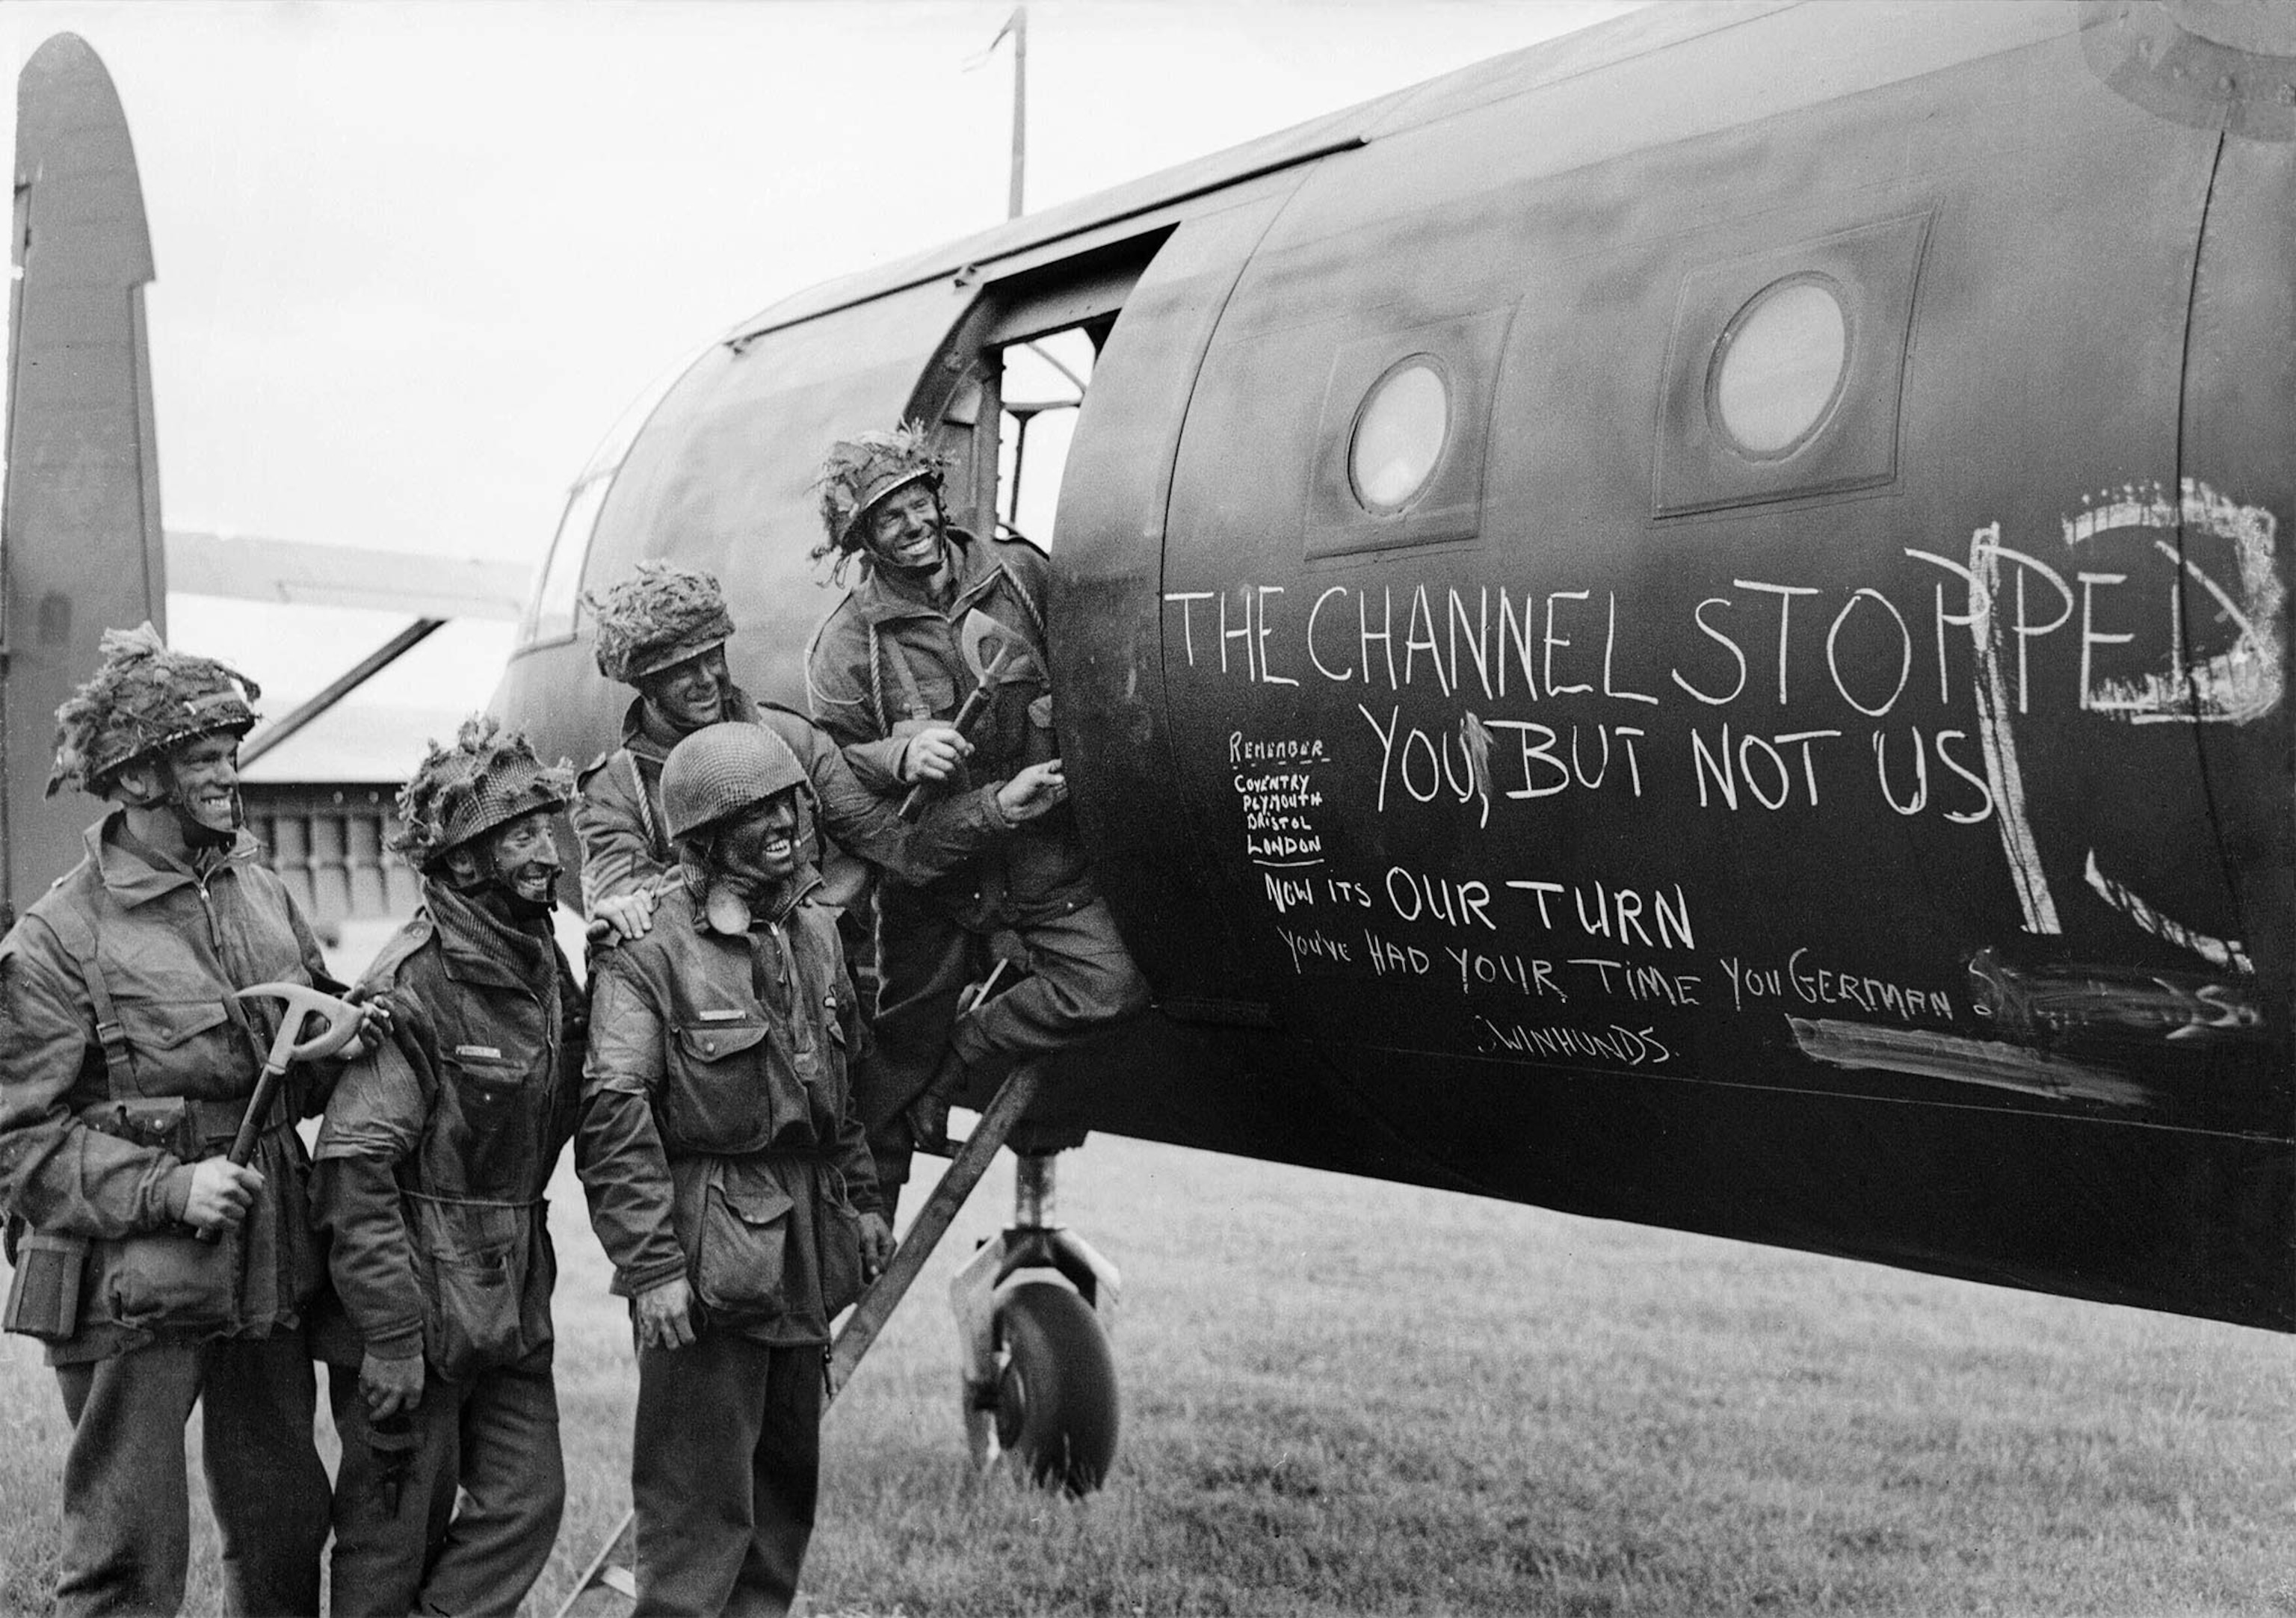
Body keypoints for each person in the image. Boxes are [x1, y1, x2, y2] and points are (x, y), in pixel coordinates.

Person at [0, 623, 377, 1617]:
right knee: (127, 1557)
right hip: (128, 1291)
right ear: (134, 783)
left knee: (285, 1531)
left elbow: (301, 1047)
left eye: (229, 755)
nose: (228, 776)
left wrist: (344, 1043)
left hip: (264, 1259)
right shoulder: (56, 938)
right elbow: (18, 1146)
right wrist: (170, 1187)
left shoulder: (259, 888)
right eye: (203, 760)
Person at [574, 561, 1067, 1205]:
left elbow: (895, 842)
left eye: (711, 656)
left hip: (816, 1043)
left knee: (848, 1220)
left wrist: (997, 806)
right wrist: (627, 909)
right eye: (677, 670)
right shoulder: (616, 789)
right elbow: (623, 894)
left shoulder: (790, 739)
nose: (705, 678)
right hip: (710, 1075)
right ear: (643, 682)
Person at [578, 721, 893, 1618]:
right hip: (708, 1256)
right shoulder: (648, 952)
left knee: (781, 1500)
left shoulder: (814, 931)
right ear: (705, 841)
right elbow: (613, 1118)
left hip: (801, 1247)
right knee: (695, 1514)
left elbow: (840, 1090)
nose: (784, 823)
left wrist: (863, 1203)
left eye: (788, 801)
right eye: (752, 813)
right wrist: (651, 1269)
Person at [804, 424, 1150, 1198]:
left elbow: (1098, 666)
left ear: (936, 494)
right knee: (896, 1060)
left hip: (1043, 856)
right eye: (888, 518)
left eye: (918, 502)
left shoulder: (1021, 574)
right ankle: (863, 1224)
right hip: (936, 879)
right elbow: (831, 775)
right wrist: (898, 751)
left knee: (1113, 982)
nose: (914, 525)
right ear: (863, 538)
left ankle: (966, 1048)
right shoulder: (844, 645)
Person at [310, 717, 590, 1617]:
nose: (547, 849)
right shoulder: (411, 983)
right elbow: (353, 1172)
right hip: (415, 1302)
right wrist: (391, 1337)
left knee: (526, 1501)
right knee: (392, 1535)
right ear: (464, 863)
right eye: (520, 834)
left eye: (545, 826)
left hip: (509, 1294)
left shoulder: (545, 959)